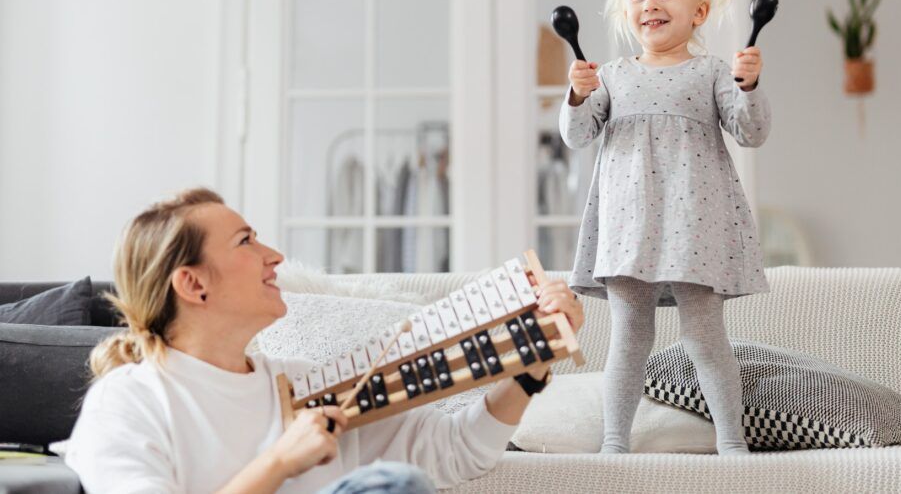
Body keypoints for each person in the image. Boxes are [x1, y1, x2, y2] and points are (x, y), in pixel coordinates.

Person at [65, 188, 583, 492]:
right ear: (193, 283)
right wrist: (278, 463)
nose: (274, 256)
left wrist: (531, 358)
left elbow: (457, 451)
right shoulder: (130, 400)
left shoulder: (305, 385)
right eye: (246, 242)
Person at [560, 0, 770, 455]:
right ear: (626, 9)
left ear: (699, 12)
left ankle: (732, 443)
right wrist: (577, 96)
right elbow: (577, 135)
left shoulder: (713, 72)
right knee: (629, 339)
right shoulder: (611, 74)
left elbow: (752, 131)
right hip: (628, 227)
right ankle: (615, 443)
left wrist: (750, 86)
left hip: (695, 226)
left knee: (705, 337)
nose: (650, 4)